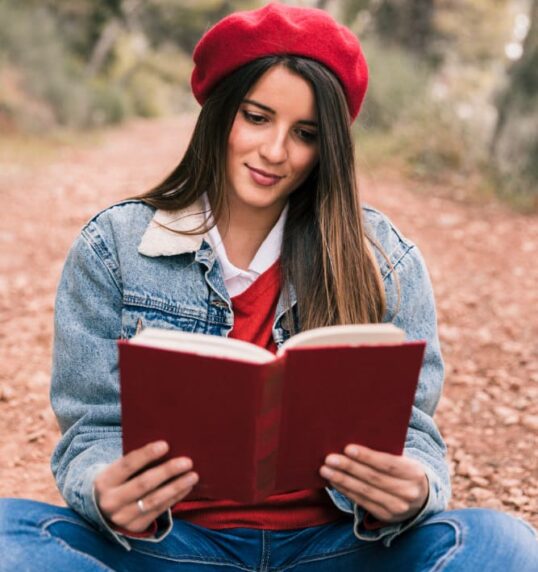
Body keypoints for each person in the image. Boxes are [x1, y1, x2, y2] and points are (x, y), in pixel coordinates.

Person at [0, 3, 537, 571]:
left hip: (338, 549)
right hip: (170, 547)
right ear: (221, 113)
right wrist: (104, 489)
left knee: (506, 545)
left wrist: (415, 490)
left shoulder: (384, 259)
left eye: (304, 134)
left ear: (325, 147)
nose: (276, 152)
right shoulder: (113, 246)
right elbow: (93, 427)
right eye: (257, 118)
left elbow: (414, 434)